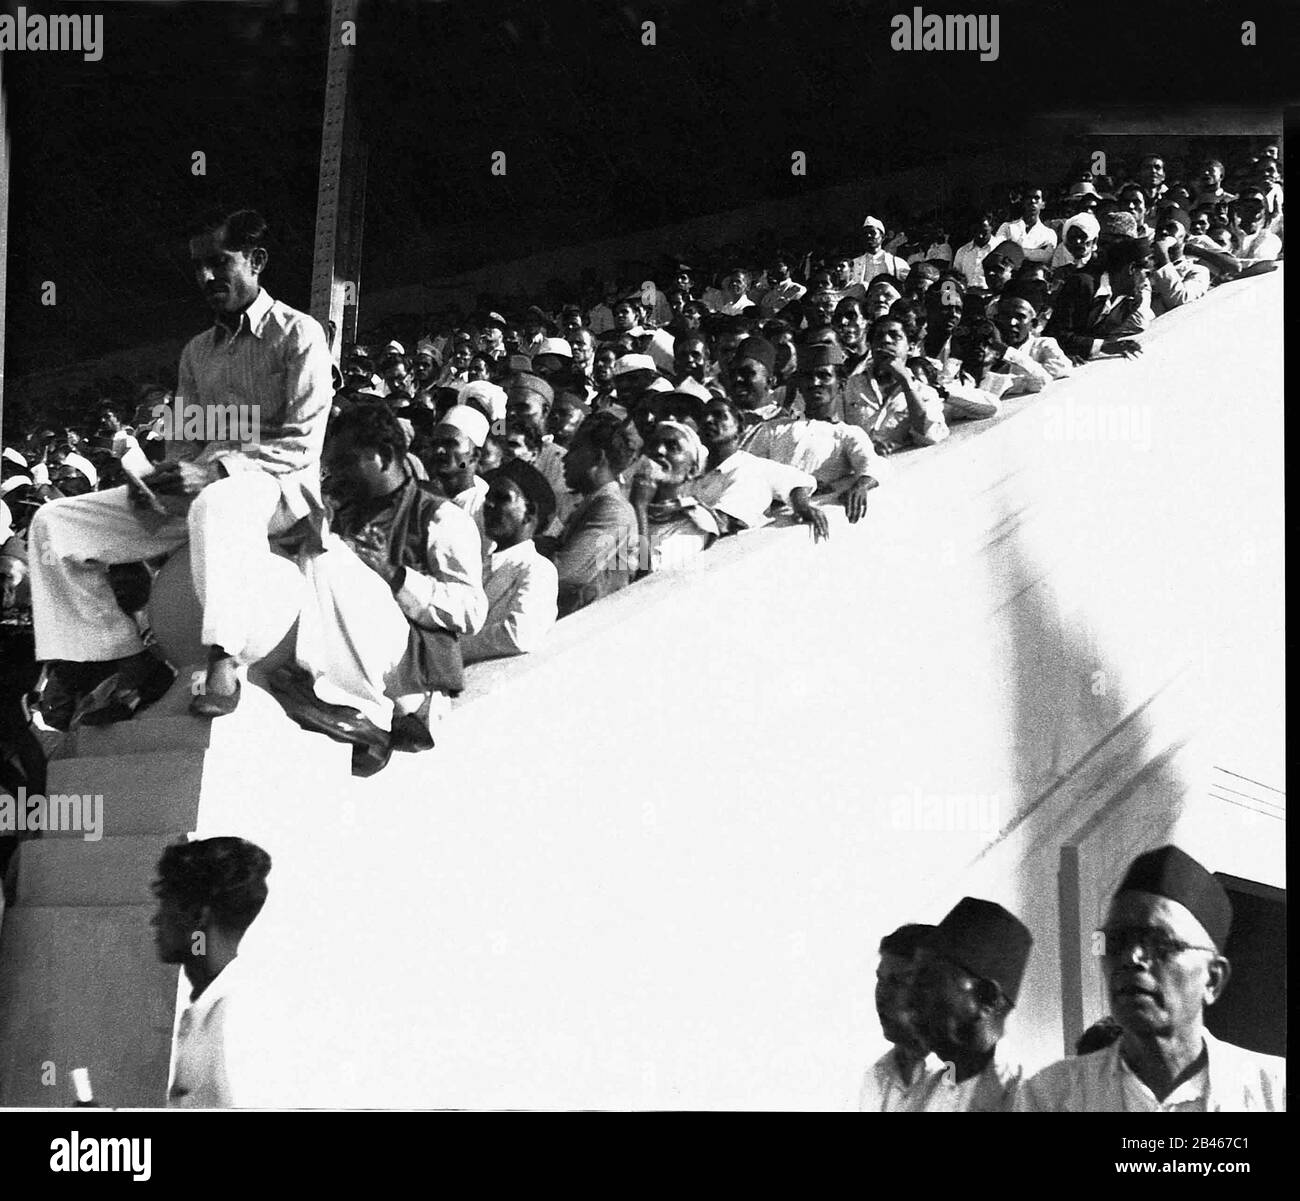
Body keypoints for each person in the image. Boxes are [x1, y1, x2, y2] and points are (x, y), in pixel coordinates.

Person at [27, 208, 333, 726]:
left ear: (256, 260)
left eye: (219, 263)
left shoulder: (299, 334)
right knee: (52, 524)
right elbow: (186, 445)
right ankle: (122, 655)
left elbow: (301, 442)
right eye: (198, 267)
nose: (207, 278)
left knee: (217, 500)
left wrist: (215, 473)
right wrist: (158, 479)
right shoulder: (196, 352)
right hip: (204, 493)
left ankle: (224, 659)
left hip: (278, 493)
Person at [284, 403, 486, 774]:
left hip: (410, 674)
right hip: (354, 654)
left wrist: (394, 574)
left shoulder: (439, 517)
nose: (338, 473)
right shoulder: (344, 511)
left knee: (325, 553)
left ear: (386, 455)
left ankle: (369, 716)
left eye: (347, 461)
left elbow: (471, 611)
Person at [1018, 846, 1285, 1111]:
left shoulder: (1273, 1094)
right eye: (1115, 941)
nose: (1131, 957)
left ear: (1213, 979)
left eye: (1160, 944)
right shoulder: (1050, 1097)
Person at [153, 836, 272, 1108]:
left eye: (164, 903)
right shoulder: (211, 1010)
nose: (155, 919)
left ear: (196, 916)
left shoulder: (237, 1018)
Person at [907, 897, 1033, 1112]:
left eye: (927, 982)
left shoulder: (1037, 1096)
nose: (910, 1000)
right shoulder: (926, 1093)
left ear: (986, 997)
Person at [745, 343, 886, 523]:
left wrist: (861, 486)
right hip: (770, 520)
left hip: (811, 523)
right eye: (808, 377)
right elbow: (750, 471)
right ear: (799, 386)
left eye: (824, 376)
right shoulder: (773, 429)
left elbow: (874, 464)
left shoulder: (847, 434)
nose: (814, 383)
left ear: (841, 384)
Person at [460, 459, 558, 664]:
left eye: (502, 498)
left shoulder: (538, 570)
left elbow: (517, 634)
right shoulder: (481, 563)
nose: (488, 504)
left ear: (529, 512)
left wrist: (446, 650)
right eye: (487, 498)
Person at [690, 397, 826, 539]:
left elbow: (800, 481)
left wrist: (801, 505)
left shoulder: (753, 467)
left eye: (719, 415)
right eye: (703, 417)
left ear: (740, 428)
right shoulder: (692, 472)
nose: (708, 420)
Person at [546, 413, 638, 616]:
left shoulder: (613, 510)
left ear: (598, 457)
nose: (565, 458)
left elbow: (563, 573)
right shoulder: (593, 503)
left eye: (575, 450)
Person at [859, 923, 939, 1112]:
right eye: (880, 980)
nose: (881, 995)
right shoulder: (876, 1075)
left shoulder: (965, 1079)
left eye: (897, 981)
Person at [843, 312, 949, 452]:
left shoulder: (925, 393)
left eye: (895, 336)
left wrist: (905, 381)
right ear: (871, 346)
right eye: (879, 337)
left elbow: (931, 435)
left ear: (910, 347)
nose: (886, 340)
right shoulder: (850, 386)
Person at [628, 421, 722, 574]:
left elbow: (647, 576)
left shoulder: (695, 522)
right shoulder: (624, 501)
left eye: (672, 447)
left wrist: (639, 506)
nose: (659, 451)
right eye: (653, 444)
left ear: (691, 470)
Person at [1044, 235, 1152, 364]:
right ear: (1131, 269)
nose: (1147, 281)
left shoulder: (1132, 300)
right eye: (1147, 273)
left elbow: (1103, 335)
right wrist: (1104, 346)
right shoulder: (1082, 284)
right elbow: (1056, 333)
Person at [425, 405, 490, 561]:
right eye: (435, 444)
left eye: (450, 444)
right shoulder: (424, 495)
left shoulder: (484, 504)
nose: (439, 451)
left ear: (474, 455)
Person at [990, 278, 1073, 383]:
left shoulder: (1043, 345)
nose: (1012, 322)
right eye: (1005, 316)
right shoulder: (985, 348)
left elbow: (1045, 377)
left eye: (1020, 317)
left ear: (1032, 323)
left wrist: (1006, 352)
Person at [1148, 209, 1211, 315]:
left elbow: (1179, 301)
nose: (1164, 232)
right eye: (1160, 229)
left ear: (1186, 236)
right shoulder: (1144, 268)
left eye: (1171, 227)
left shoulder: (1197, 272)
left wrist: (1163, 258)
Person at [994, 185, 1058, 265]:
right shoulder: (1007, 227)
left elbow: (1045, 256)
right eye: (1028, 197)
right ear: (1023, 202)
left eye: (1037, 198)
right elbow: (999, 252)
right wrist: (1035, 252)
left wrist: (1012, 250)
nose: (1032, 201)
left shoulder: (1049, 234)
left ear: (1043, 204)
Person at [952, 212, 997, 289]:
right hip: (968, 296)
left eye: (984, 227)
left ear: (992, 227)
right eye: (976, 229)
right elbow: (955, 278)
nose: (980, 234)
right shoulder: (962, 251)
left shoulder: (1000, 249)